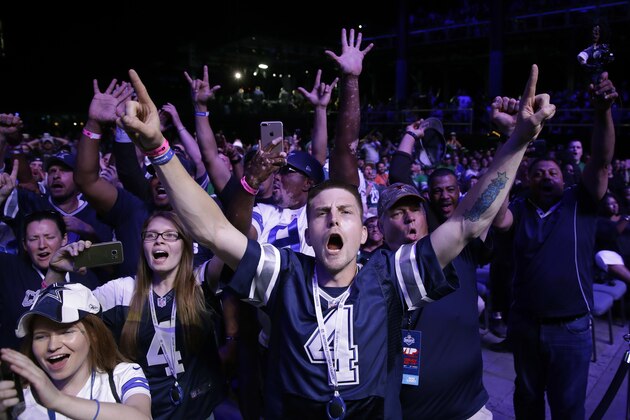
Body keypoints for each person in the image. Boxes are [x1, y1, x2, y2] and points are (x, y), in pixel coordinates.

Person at [114, 55, 554, 418]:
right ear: (308, 230)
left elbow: (465, 223)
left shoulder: (389, 276)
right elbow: (210, 230)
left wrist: (518, 140)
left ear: (365, 233)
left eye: (346, 212)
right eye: (321, 213)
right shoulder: (283, 275)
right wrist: (157, 147)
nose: (333, 220)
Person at [494, 72, 617, 419]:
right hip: (527, 325)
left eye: (552, 172)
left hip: (572, 328)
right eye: (538, 172)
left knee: (568, 408)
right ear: (527, 179)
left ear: (564, 177)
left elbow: (602, 161)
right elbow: (495, 215)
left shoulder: (580, 201)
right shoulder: (518, 208)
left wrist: (602, 111)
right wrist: (509, 140)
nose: (546, 175)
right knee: (528, 404)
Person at [44, 211, 225, 419]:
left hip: (199, 412)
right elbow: (55, 316)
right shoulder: (121, 292)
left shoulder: (200, 283)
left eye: (169, 235)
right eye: (151, 235)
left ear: (185, 244)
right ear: (143, 246)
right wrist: (56, 272)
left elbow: (233, 241)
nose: (159, 241)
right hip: (144, 412)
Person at [0, 282, 151, 419]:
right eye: (41, 337)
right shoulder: (19, 399)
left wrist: (57, 400)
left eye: (66, 332)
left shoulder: (122, 376)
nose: (53, 346)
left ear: (93, 335)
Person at [0, 210, 100, 350]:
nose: (42, 245)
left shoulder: (84, 275)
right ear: (24, 245)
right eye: (34, 239)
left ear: (64, 239)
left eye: (49, 237)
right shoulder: (9, 270)